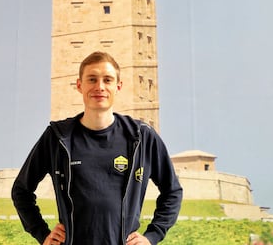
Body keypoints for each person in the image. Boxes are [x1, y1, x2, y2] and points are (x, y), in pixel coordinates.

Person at [12, 51, 183, 245]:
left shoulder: (142, 136)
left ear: (118, 86)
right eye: (92, 79)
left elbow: (173, 191)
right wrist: (42, 234)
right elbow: (21, 191)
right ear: (79, 85)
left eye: (107, 80)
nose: (99, 87)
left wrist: (152, 236)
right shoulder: (58, 137)